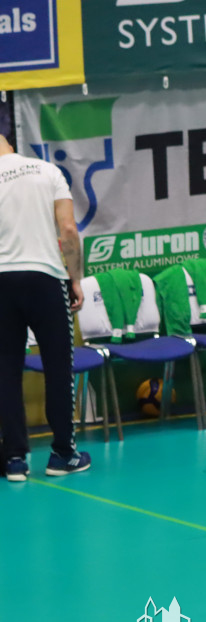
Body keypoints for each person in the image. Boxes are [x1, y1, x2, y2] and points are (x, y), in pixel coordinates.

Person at [0, 133, 91, 482]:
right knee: (58, 368)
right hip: (45, 278)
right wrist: (75, 278)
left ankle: (15, 460)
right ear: (9, 143)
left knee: (6, 371)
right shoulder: (47, 171)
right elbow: (68, 229)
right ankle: (63, 454)